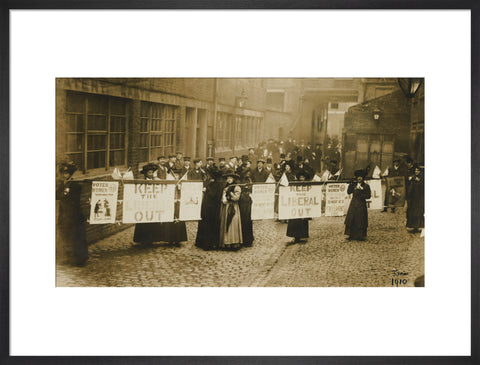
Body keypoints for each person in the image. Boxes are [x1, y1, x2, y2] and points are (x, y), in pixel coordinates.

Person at [56, 162, 89, 266]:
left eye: (67, 173)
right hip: (64, 214)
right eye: (64, 173)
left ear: (70, 174)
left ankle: (79, 259)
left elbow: (73, 199)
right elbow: (57, 195)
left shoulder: (75, 185)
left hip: (74, 214)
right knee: (66, 236)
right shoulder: (63, 184)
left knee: (76, 236)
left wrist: (64, 194)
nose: (65, 175)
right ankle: (68, 258)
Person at [195, 167, 223, 250]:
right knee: (205, 224)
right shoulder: (212, 183)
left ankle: (209, 244)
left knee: (210, 226)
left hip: (212, 209)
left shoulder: (217, 184)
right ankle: (202, 242)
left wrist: (207, 188)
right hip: (208, 208)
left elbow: (214, 196)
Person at [219, 169, 243, 250]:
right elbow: (222, 198)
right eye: (228, 178)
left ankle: (234, 242)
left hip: (234, 207)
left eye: (230, 178)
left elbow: (236, 198)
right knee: (226, 224)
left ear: (233, 179)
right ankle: (226, 242)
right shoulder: (225, 187)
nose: (229, 180)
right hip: (226, 207)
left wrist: (230, 193)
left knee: (233, 223)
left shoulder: (236, 187)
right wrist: (224, 199)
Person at [344, 169, 371, 241]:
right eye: (358, 177)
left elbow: (368, 196)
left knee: (360, 220)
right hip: (353, 203)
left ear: (363, 178)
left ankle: (361, 235)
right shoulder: (354, 185)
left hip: (361, 204)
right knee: (351, 219)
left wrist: (361, 192)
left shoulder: (366, 186)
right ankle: (351, 234)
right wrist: (350, 185)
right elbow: (349, 192)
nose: (359, 178)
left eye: (361, 177)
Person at [286, 170, 311, 243]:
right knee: (295, 222)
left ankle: (303, 235)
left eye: (303, 177)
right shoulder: (295, 185)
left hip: (304, 206)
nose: (302, 179)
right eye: (300, 177)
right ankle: (295, 236)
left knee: (303, 221)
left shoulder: (307, 185)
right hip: (296, 206)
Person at [406, 164, 424, 233]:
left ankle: (417, 226)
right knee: (412, 212)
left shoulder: (422, 178)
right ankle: (413, 226)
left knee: (418, 212)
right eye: (415, 170)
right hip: (412, 198)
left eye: (418, 170)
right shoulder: (413, 177)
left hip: (419, 198)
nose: (416, 172)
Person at [238, 166, 254, 247]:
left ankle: (248, 239)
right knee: (243, 220)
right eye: (247, 173)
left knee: (248, 220)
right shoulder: (241, 181)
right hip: (242, 202)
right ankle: (243, 239)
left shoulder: (249, 180)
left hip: (248, 202)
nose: (248, 174)